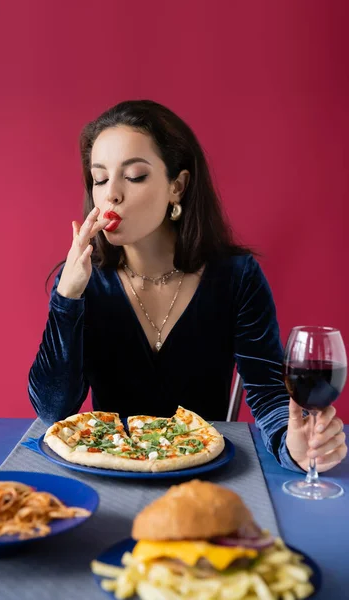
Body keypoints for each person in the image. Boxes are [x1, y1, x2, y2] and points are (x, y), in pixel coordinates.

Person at [28, 100, 347, 473]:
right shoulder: (84, 282)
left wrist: (293, 444)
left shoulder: (237, 276)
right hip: (110, 471)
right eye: (99, 178)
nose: (110, 194)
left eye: (133, 176)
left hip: (206, 476)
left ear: (177, 187)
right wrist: (68, 298)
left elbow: (269, 392)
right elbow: (52, 409)